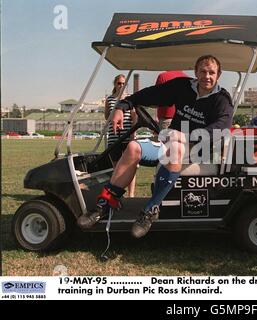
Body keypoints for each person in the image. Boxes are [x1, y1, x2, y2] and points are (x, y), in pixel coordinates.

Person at [77, 55, 234, 238]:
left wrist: (187, 137)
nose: (207, 76)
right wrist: (122, 106)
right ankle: (105, 203)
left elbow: (222, 127)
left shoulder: (222, 98)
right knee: (133, 147)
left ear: (219, 74)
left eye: (212, 72)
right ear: (196, 72)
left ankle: (150, 210)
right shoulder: (183, 86)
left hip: (197, 148)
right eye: (203, 71)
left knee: (176, 149)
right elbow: (150, 94)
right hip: (170, 141)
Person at [105, 74, 137, 197]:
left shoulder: (130, 99)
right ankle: (117, 193)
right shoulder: (109, 99)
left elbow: (134, 118)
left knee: (131, 165)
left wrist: (133, 134)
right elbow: (107, 117)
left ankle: (131, 194)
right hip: (114, 136)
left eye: (124, 84)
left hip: (128, 135)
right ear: (115, 84)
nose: (121, 86)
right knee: (116, 165)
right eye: (119, 83)